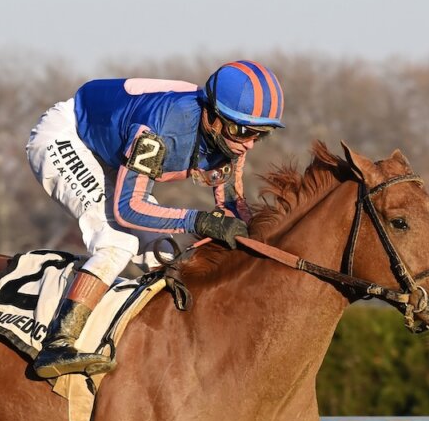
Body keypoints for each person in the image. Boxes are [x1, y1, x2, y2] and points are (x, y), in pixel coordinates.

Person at [26, 60, 285, 378]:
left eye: (261, 135)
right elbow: (128, 209)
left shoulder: (231, 141)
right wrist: (198, 220)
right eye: (241, 131)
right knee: (116, 243)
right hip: (69, 138)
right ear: (213, 116)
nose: (248, 143)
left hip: (112, 151)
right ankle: (57, 343)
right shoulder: (161, 130)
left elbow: (232, 209)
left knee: (162, 252)